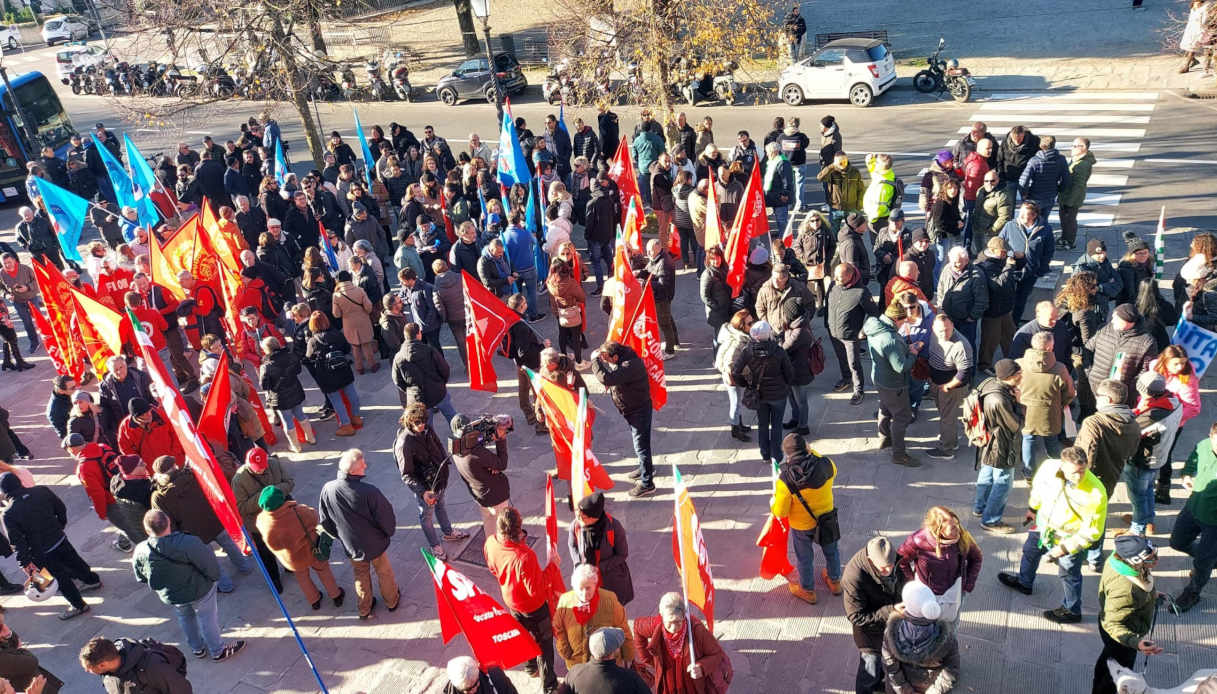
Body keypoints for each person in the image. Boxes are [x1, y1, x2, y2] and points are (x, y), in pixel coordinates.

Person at [998, 446, 1107, 623]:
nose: (1079, 477)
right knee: (1030, 551)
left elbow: (1092, 532)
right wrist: (1033, 509)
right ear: (1062, 466)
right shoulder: (1049, 467)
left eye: (1082, 471)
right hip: (1044, 526)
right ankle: (1024, 583)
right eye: (1074, 472)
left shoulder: (1096, 492)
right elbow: (1038, 489)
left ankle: (1072, 610)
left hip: (1067, 538)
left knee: (1069, 574)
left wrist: (1064, 548)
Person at [132, 510, 246, 661]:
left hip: (173, 595)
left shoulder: (140, 549)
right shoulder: (188, 542)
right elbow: (208, 564)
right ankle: (217, 651)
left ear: (147, 530)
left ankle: (197, 648)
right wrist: (214, 579)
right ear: (169, 523)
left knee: (185, 617)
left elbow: (140, 577)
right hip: (199, 589)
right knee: (207, 618)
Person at [0, 472, 101, 620]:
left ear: (4, 492)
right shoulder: (41, 490)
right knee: (74, 560)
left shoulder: (9, 513)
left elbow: (16, 542)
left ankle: (79, 605)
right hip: (59, 538)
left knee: (60, 578)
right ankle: (92, 580)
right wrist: (59, 526)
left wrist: (25, 562)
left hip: (40, 552)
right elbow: (60, 509)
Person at [319, 448, 400, 621]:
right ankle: (392, 601)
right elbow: (385, 516)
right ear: (354, 470)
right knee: (384, 572)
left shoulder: (327, 489)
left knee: (360, 575)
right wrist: (388, 532)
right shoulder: (369, 491)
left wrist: (341, 536)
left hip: (351, 545)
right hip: (375, 543)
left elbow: (325, 521)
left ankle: (365, 608)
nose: (365, 466)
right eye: (362, 465)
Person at [149, 456, 252, 592]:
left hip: (193, 532)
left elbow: (166, 520)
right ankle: (245, 567)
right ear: (175, 466)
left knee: (209, 560)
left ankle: (226, 586)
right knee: (229, 544)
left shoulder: (158, 496)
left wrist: (179, 535)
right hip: (214, 519)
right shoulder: (193, 475)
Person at [484, 507, 557, 693]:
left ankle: (530, 666)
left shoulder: (490, 543)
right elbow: (536, 591)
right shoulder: (525, 556)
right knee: (544, 645)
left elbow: (492, 569)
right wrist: (552, 568)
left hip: (512, 602)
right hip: (533, 607)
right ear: (518, 528)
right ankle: (549, 685)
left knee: (524, 636)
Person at [394, 404, 468, 560]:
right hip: (426, 487)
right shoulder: (404, 443)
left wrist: (445, 462)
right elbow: (406, 474)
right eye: (417, 423)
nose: (421, 425)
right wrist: (423, 492)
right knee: (426, 516)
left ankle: (448, 533)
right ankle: (435, 545)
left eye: (423, 421)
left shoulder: (427, 428)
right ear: (409, 422)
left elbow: (438, 444)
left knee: (441, 506)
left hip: (439, 479)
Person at [773, 433, 840, 604]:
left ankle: (808, 591)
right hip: (826, 518)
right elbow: (832, 469)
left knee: (804, 558)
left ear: (788, 455)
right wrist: (810, 451)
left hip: (802, 525)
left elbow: (780, 512)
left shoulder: (786, 479)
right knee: (831, 551)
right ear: (808, 448)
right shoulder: (826, 464)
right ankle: (835, 581)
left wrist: (773, 501)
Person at [1092, 534, 1162, 694]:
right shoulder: (1126, 590)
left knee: (1107, 661)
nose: (1156, 561)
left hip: (1115, 621)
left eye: (1155, 554)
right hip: (1122, 637)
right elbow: (1113, 624)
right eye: (1150, 559)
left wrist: (1151, 595)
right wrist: (1136, 643)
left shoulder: (1117, 558)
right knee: (1117, 675)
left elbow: (1142, 587)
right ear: (1134, 562)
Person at [591, 341, 656, 497]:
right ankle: (645, 467)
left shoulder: (630, 365)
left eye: (607, 359)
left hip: (638, 411)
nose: (605, 361)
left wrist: (595, 361)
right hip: (632, 409)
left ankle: (648, 483)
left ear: (615, 356)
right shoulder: (623, 360)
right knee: (642, 444)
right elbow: (615, 378)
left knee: (641, 447)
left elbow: (606, 378)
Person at [843, 536, 907, 694]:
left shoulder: (893, 558)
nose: (889, 570)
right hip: (869, 634)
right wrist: (892, 610)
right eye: (883, 568)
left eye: (891, 565)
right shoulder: (853, 576)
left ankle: (878, 684)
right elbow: (856, 616)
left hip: (891, 624)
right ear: (870, 560)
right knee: (869, 668)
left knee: (883, 664)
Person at [897, 506, 982, 624]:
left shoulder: (963, 536)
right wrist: (911, 582)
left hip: (953, 590)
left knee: (950, 624)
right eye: (952, 528)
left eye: (957, 524)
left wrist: (968, 584)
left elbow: (977, 558)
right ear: (939, 530)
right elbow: (901, 562)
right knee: (923, 624)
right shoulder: (918, 540)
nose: (958, 529)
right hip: (925, 592)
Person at [633, 591, 729, 694]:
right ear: (661, 616)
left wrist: (701, 667)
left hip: (691, 685)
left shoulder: (696, 630)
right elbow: (638, 627)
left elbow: (717, 654)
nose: (674, 628)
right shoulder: (655, 624)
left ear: (684, 615)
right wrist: (647, 658)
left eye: (678, 622)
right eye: (669, 623)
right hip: (667, 684)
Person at [731, 320, 794, 468]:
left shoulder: (748, 351)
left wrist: (745, 384)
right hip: (778, 394)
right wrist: (785, 384)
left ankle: (765, 454)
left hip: (759, 394)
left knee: (763, 424)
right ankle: (777, 456)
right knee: (777, 425)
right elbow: (790, 374)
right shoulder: (778, 351)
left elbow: (735, 371)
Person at [865, 302, 921, 467]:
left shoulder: (875, 326)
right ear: (896, 319)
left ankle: (884, 438)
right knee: (901, 417)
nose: (904, 324)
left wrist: (904, 349)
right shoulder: (890, 338)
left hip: (880, 379)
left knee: (885, 408)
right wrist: (913, 353)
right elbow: (901, 367)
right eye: (903, 321)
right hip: (894, 384)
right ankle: (899, 454)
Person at [1126, 372, 1181, 536]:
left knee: (1138, 496)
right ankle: (1148, 520)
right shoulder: (1174, 401)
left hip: (1143, 460)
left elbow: (1130, 430)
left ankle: (1138, 529)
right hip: (1160, 456)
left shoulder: (1151, 415)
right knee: (1148, 489)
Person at [880, 581, 960, 694]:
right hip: (929, 685)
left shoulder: (891, 633)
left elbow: (891, 667)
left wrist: (906, 691)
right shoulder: (947, 638)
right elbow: (951, 670)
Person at [972, 360, 1024, 532]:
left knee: (986, 473)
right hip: (1001, 445)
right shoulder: (999, 400)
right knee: (1003, 482)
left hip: (988, 441)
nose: (1022, 376)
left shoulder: (990, 384)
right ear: (1011, 376)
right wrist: (1019, 402)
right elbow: (1016, 425)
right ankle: (991, 520)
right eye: (1019, 373)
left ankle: (980, 507)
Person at [63, 433, 139, 552]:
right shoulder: (103, 447)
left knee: (129, 528)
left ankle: (151, 550)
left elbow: (96, 494)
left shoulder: (83, 468)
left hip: (112, 500)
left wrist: (102, 513)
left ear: (72, 449)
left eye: (68, 451)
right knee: (134, 519)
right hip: (127, 488)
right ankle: (124, 543)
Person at [1016, 330, 1075, 477]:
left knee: (1028, 439)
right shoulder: (1059, 369)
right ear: (1050, 348)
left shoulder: (1019, 364)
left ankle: (1029, 472)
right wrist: (1061, 404)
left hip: (1026, 412)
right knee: (1052, 441)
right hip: (1050, 413)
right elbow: (1069, 393)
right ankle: (1057, 470)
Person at [553, 565, 635, 670]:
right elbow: (559, 628)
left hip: (607, 666)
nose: (584, 593)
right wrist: (566, 652)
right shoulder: (565, 601)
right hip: (578, 666)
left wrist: (629, 657)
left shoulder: (609, 600)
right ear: (574, 587)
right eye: (580, 589)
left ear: (595, 584)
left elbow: (623, 629)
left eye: (588, 588)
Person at [1085, 303, 1158, 410]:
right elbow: (1088, 350)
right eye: (1113, 317)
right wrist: (1090, 372)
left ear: (1129, 322)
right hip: (1097, 386)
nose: (1112, 321)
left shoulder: (1147, 342)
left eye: (1117, 319)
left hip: (1121, 395)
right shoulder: (1104, 329)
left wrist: (1129, 387)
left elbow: (1145, 371)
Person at [450, 413, 512, 537]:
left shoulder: (456, 451)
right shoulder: (475, 453)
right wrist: (501, 439)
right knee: (503, 530)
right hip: (496, 497)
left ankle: (491, 549)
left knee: (490, 528)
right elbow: (502, 464)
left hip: (480, 496)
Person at [568, 492, 634, 605]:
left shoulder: (614, 527)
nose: (579, 519)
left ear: (595, 518)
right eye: (578, 515)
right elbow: (572, 545)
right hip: (586, 579)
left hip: (609, 579)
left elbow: (622, 554)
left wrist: (598, 568)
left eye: (583, 517)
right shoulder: (576, 525)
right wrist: (579, 565)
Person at [924, 315, 975, 460]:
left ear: (952, 325)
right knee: (945, 414)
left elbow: (964, 373)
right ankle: (951, 439)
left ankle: (947, 449)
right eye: (940, 331)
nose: (944, 334)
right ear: (933, 328)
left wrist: (947, 386)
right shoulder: (934, 335)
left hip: (951, 387)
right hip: (936, 382)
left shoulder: (961, 346)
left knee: (947, 418)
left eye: (947, 330)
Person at [304, 311, 362, 436]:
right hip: (343, 369)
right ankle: (356, 417)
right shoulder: (337, 334)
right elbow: (347, 349)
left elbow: (309, 357)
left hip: (327, 375)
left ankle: (346, 426)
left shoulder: (313, 341)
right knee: (352, 394)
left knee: (336, 401)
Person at [827, 263, 878, 406]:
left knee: (854, 363)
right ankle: (846, 378)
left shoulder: (862, 292)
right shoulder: (833, 285)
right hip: (834, 332)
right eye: (836, 277)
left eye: (840, 278)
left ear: (850, 275)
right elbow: (828, 306)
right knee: (841, 359)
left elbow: (874, 314)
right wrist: (828, 324)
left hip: (850, 335)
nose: (837, 280)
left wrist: (864, 330)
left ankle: (859, 389)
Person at [999, 201, 1054, 323]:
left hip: (1031, 271)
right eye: (1021, 213)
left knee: (1021, 299)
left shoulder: (1045, 229)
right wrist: (1012, 254)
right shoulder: (1010, 226)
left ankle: (1014, 323)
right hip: (1012, 269)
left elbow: (1049, 251)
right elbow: (999, 245)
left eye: (1026, 214)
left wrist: (1041, 269)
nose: (1021, 216)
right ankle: (1005, 323)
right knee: (1007, 298)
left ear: (1034, 216)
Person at [391, 322, 457, 423]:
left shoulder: (398, 357)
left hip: (418, 399)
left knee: (426, 427)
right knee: (453, 418)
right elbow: (444, 369)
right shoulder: (429, 350)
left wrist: (410, 390)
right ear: (419, 334)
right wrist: (441, 383)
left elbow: (398, 381)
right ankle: (460, 437)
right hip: (437, 391)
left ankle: (430, 439)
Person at [79, 636, 196, 693]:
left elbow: (182, 690)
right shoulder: (107, 672)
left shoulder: (153, 667)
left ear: (102, 665)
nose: (87, 671)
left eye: (89, 668)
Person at [976, 237, 1019, 373]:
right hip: (992, 310)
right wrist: (1009, 267)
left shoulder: (999, 260)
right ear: (992, 250)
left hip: (1004, 308)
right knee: (990, 339)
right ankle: (984, 365)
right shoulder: (984, 265)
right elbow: (998, 285)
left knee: (1010, 336)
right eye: (1003, 252)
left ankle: (1013, 360)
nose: (1005, 254)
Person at [935, 246, 987, 352]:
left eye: (958, 262)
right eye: (952, 261)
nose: (954, 265)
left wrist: (972, 317)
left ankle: (970, 368)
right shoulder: (947, 269)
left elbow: (982, 300)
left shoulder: (977, 275)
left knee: (967, 347)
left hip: (966, 321)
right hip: (948, 317)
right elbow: (940, 289)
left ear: (966, 261)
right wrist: (941, 307)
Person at [714, 310, 754, 442]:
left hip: (732, 376)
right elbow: (730, 364)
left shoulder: (736, 336)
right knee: (735, 403)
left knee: (737, 402)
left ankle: (739, 424)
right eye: (750, 323)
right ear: (742, 326)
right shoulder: (737, 343)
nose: (752, 325)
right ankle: (735, 429)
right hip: (732, 378)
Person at [642, 239, 680, 357]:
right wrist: (639, 273)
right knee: (668, 318)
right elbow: (648, 270)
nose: (648, 253)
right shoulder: (657, 258)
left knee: (664, 323)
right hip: (662, 296)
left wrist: (645, 284)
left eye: (650, 251)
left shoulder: (664, 263)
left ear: (658, 249)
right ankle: (675, 342)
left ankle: (670, 350)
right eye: (647, 250)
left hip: (662, 297)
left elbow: (662, 284)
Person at [443, 656, 518, 694]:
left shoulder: (495, 676)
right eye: (468, 689)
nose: (473, 690)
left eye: (476, 683)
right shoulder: (450, 690)